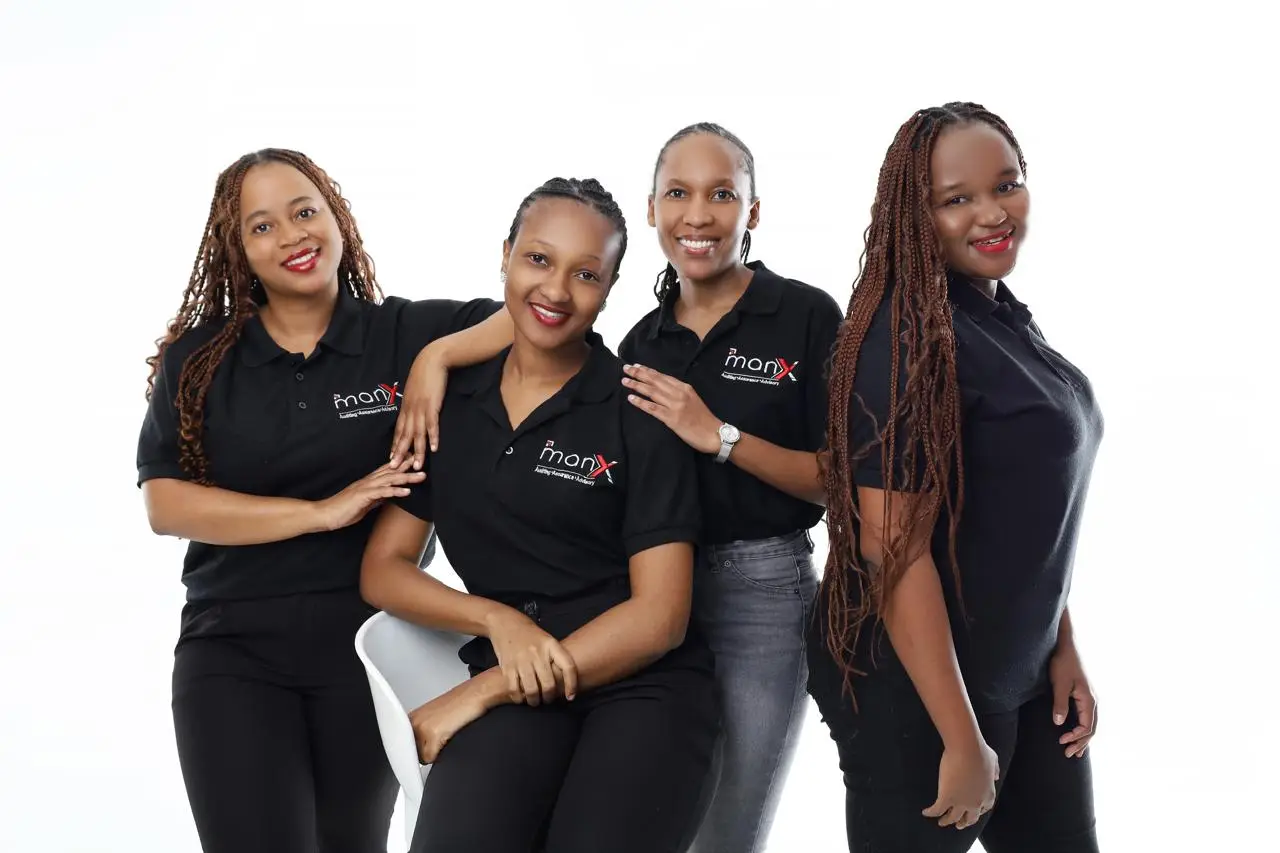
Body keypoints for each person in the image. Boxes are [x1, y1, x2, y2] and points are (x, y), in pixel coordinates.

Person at [136, 148, 513, 853]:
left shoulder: (403, 335)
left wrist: (435, 359)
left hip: (365, 652)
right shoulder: (202, 359)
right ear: (239, 251)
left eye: (305, 211)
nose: (292, 236)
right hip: (234, 649)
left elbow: (533, 315)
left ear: (338, 217)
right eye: (262, 226)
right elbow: (166, 504)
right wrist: (322, 512)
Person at [359, 177, 720, 853]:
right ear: (505, 255)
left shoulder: (639, 411)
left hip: (644, 691)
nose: (555, 290)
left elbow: (661, 615)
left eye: (585, 274)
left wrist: (485, 689)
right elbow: (384, 567)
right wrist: (498, 621)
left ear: (610, 288)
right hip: (519, 680)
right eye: (538, 259)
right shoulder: (450, 403)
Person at [807, 102, 1104, 852]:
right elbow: (894, 552)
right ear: (915, 214)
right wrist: (962, 737)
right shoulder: (904, 342)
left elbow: (1018, 514)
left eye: (1006, 184)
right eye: (956, 199)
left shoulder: (997, 315)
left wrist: (1061, 644)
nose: (992, 213)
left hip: (1022, 672)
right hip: (921, 695)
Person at [614, 123, 843, 853]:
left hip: (762, 592)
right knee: (655, 821)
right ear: (651, 208)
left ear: (753, 211)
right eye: (678, 193)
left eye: (721, 195)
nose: (698, 215)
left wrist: (719, 435)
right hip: (653, 595)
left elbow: (840, 481)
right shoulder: (640, 344)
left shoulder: (806, 315)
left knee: (727, 828)